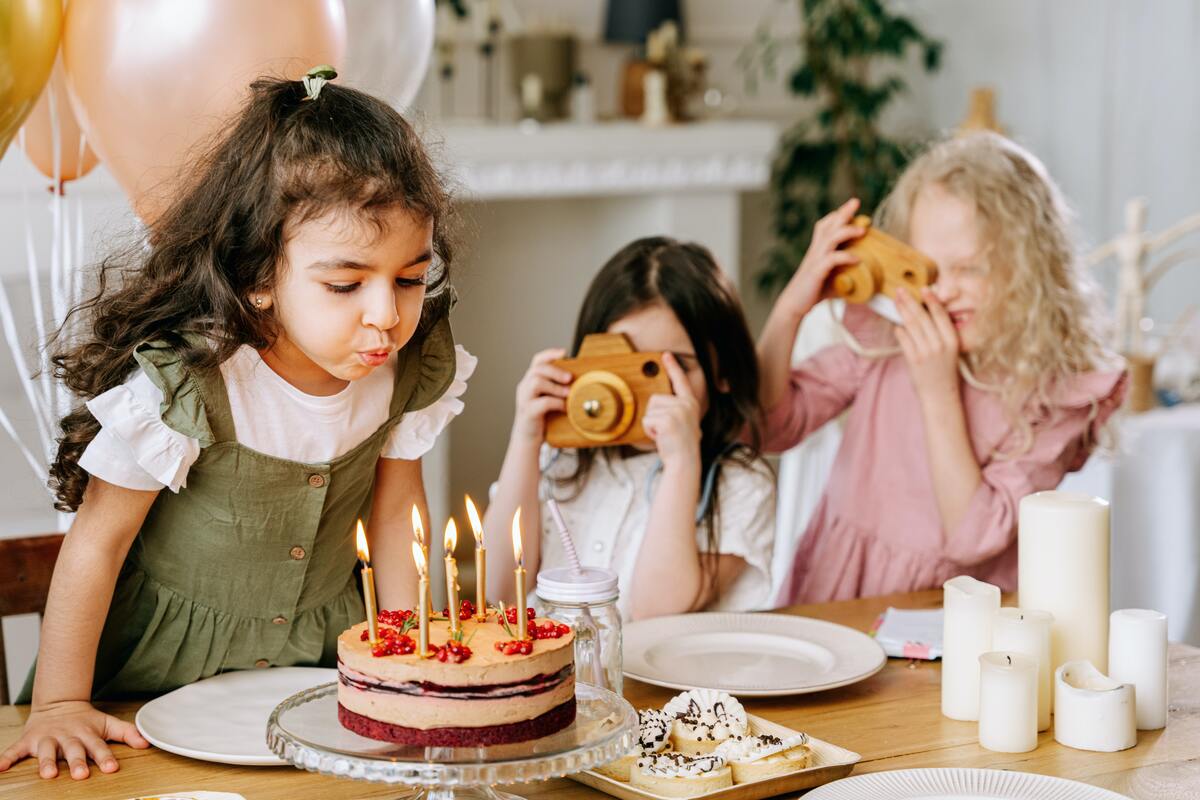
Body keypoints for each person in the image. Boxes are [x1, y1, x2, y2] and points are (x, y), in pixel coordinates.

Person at [0, 74, 474, 780]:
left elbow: (398, 512)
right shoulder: (186, 385)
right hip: (152, 678)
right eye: (346, 284)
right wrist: (63, 702)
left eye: (408, 277)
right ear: (259, 276)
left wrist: (404, 658)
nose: (386, 314)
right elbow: (97, 543)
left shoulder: (406, 374)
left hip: (321, 666)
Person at [759, 132, 1127, 604]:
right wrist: (793, 306)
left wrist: (937, 391)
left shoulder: (1055, 395)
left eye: (970, 268)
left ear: (1030, 269)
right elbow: (768, 427)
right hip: (840, 596)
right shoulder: (888, 336)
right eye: (928, 269)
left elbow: (972, 536)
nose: (945, 290)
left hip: (950, 623)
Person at [483, 238, 774, 622]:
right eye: (624, 366)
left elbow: (654, 611)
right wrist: (525, 439)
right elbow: (498, 590)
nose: (642, 395)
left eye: (671, 368)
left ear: (722, 373)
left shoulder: (739, 484)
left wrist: (682, 463)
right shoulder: (558, 459)